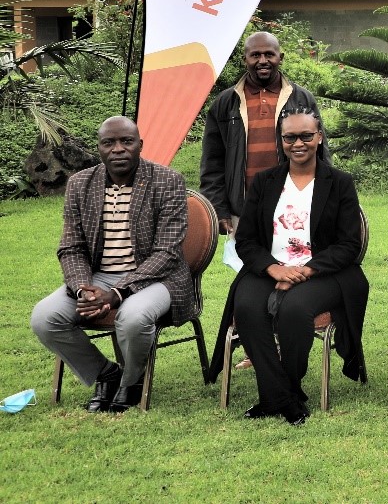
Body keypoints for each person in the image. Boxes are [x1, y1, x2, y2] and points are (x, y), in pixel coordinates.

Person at [204, 108, 367, 426]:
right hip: (268, 268)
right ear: (281, 141)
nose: (299, 143)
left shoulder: (340, 183)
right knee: (248, 308)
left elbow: (349, 244)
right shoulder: (265, 182)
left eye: (307, 135)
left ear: (319, 138)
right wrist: (272, 269)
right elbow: (247, 240)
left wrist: (306, 270)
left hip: (323, 272)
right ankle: (281, 396)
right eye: (290, 137)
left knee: (294, 310)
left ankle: (281, 392)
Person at [31, 116, 189, 413]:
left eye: (126, 141)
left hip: (158, 279)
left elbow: (167, 252)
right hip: (98, 277)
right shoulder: (80, 184)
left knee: (132, 317)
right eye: (109, 143)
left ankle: (131, 382)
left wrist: (118, 293)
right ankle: (107, 374)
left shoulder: (168, 180)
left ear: (139, 145)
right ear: (99, 148)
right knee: (45, 318)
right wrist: (82, 290)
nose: (118, 149)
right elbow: (71, 247)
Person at [201, 31, 324, 371]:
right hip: (245, 211)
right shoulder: (225, 103)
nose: (262, 61)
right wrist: (220, 209)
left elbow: (320, 154)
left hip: (294, 208)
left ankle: (286, 347)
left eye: (268, 54)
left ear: (280, 57)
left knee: (290, 278)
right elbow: (212, 162)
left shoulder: (301, 98)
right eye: (255, 55)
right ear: (246, 59)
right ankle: (257, 352)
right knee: (252, 281)